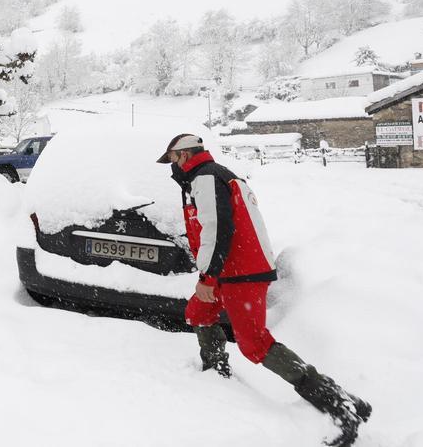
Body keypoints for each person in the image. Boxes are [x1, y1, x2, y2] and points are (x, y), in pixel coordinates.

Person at [159, 133, 371, 447]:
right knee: (199, 312)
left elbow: (218, 230)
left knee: (254, 343)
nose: (172, 168)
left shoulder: (205, 178)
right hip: (235, 267)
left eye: (173, 160)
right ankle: (215, 374)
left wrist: (208, 277)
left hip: (239, 272)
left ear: (185, 155)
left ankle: (338, 403)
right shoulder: (216, 177)